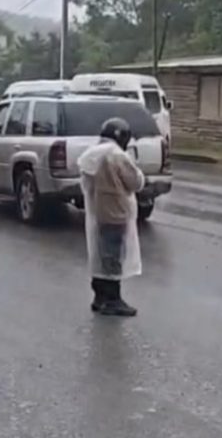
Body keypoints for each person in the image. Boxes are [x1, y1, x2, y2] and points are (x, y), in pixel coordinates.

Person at [77, 117, 145, 317]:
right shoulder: (116, 156)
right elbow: (135, 182)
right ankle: (113, 299)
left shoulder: (92, 154)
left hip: (98, 211)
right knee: (113, 258)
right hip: (116, 212)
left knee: (101, 254)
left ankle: (99, 297)